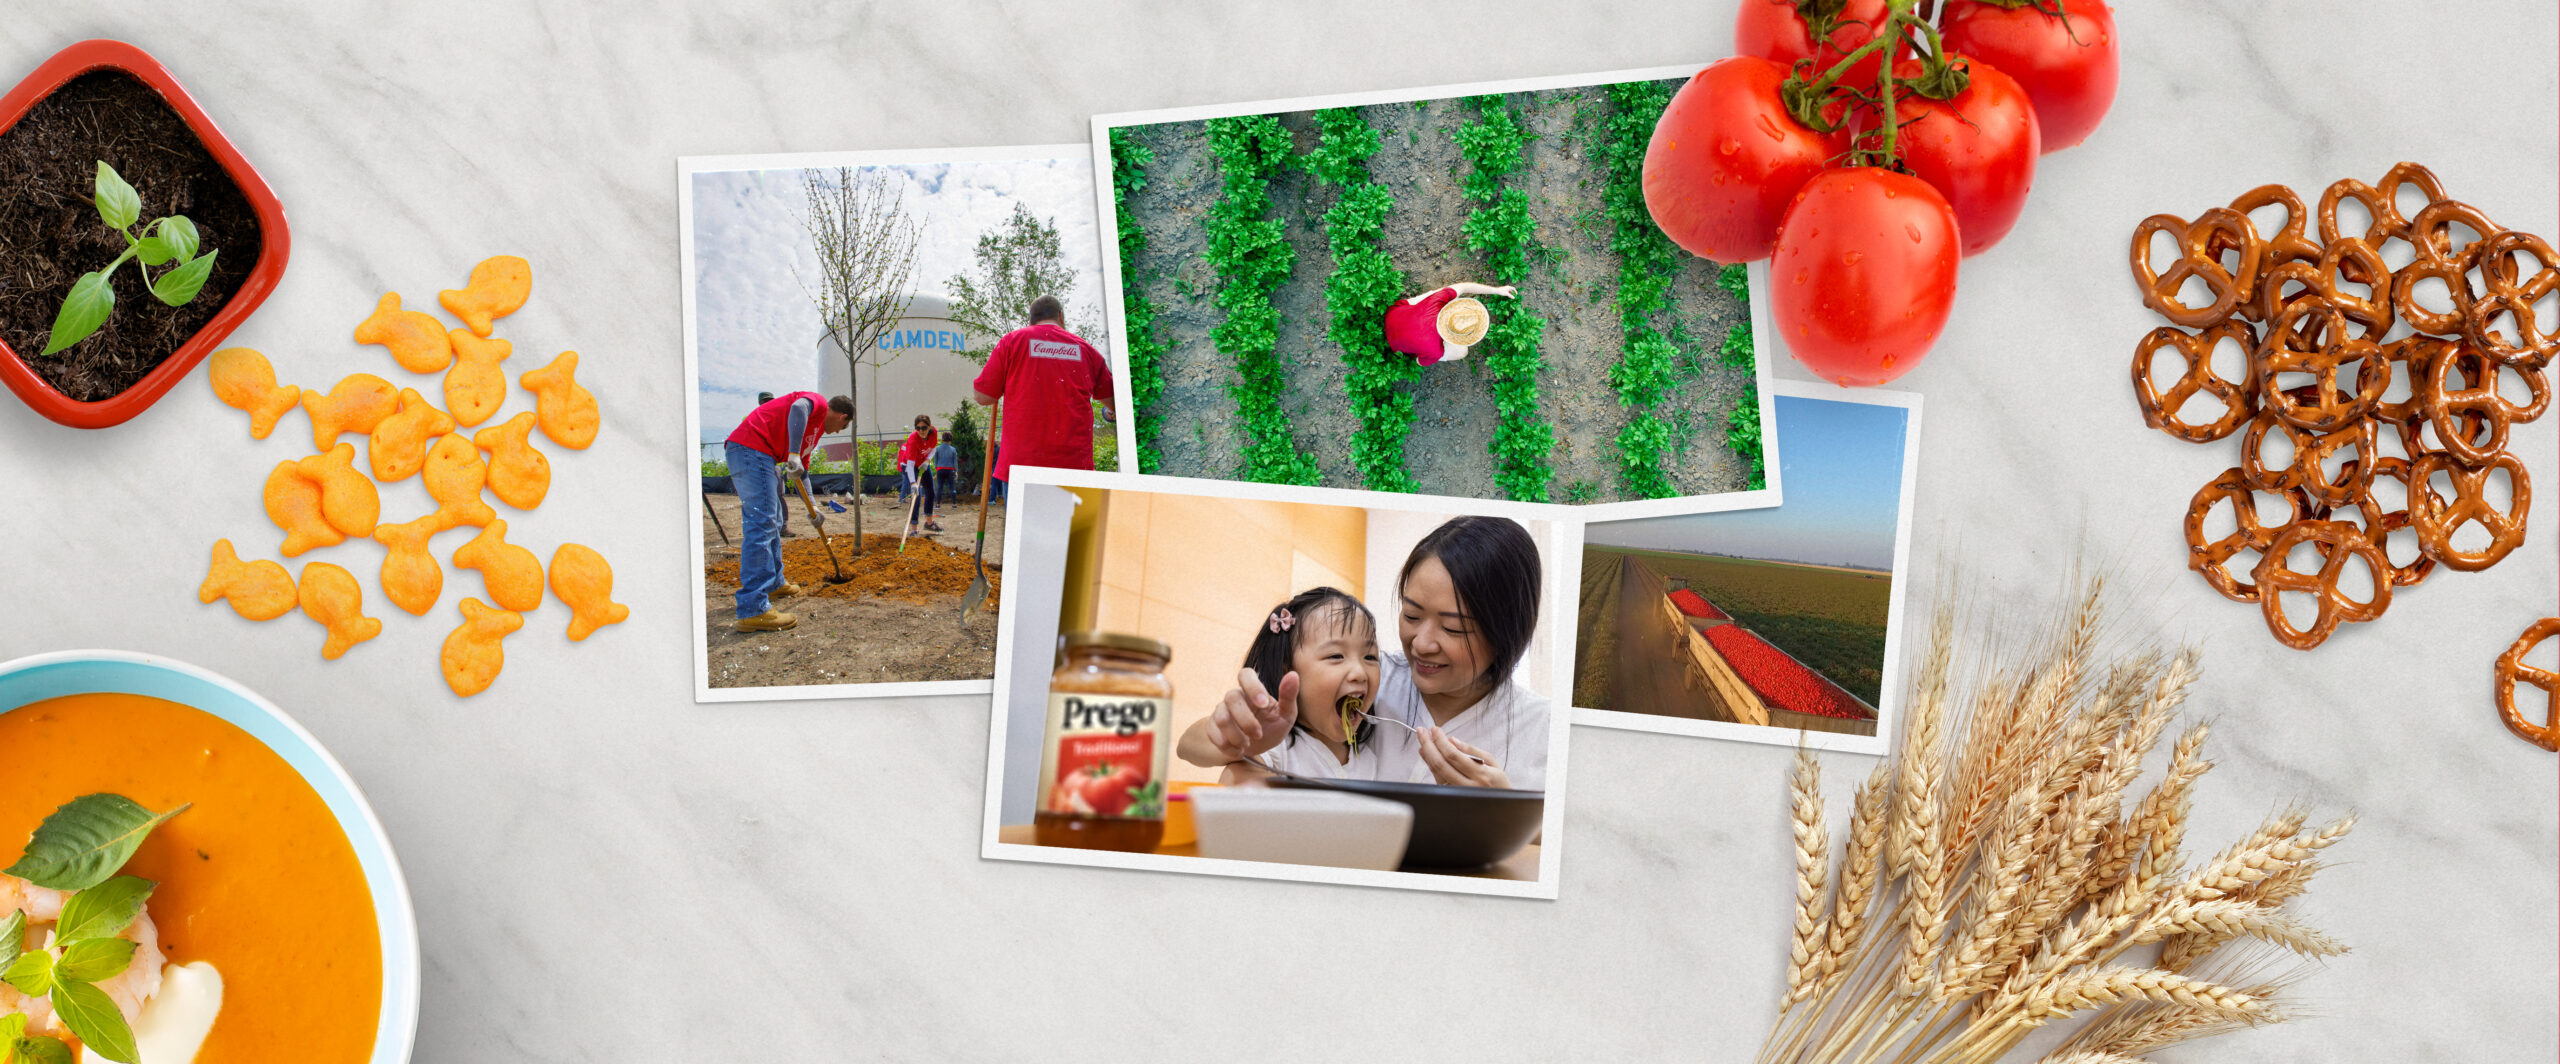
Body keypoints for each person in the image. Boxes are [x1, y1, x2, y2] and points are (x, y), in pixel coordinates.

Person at [1181, 516, 1550, 790]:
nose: (1421, 644)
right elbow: (1198, 751)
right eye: (1411, 615)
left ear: (1506, 634)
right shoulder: (1374, 683)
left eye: (1453, 628)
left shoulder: (1542, 727)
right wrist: (1228, 742)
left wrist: (1503, 808)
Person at [1175, 589, 1384, 783]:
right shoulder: (1274, 747)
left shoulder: (1370, 760)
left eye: (1370, 657)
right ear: (1287, 671)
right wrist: (1239, 740)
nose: (1360, 673)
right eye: (1336, 656)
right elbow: (1186, 746)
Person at [722, 391, 852, 632]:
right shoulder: (819, 404)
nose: (836, 432)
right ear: (843, 416)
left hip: (762, 455)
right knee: (761, 523)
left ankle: (773, 582)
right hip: (752, 449)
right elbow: (798, 408)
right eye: (842, 427)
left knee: (774, 521)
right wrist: (792, 452)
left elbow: (803, 474)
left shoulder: (811, 436)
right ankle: (753, 608)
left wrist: (812, 506)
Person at [971, 295, 1114, 499]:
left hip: (1022, 465)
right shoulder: (1087, 350)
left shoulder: (1012, 342)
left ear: (1031, 320)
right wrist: (1109, 413)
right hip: (1074, 467)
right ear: (1061, 317)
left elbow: (982, 396)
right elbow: (1117, 403)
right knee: (1068, 531)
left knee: (1024, 530)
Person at [1383, 282, 1518, 367]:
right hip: (1395, 345)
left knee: (1450, 294)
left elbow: (1463, 286)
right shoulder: (1435, 350)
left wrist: (1497, 290)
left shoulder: (1435, 301)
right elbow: (1419, 362)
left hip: (1392, 314)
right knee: (1461, 351)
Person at [898, 414, 943, 535]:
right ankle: (914, 529)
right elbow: (910, 466)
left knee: (931, 492)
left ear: (929, 427)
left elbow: (934, 448)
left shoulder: (934, 433)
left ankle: (929, 523)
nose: (921, 431)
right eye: (918, 428)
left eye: (924, 428)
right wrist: (913, 483)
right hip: (909, 466)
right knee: (916, 496)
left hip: (923, 463)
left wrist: (928, 461)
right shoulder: (912, 440)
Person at [932, 435, 959, 501]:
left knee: (939, 487)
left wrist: (936, 468)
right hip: (950, 469)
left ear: (943, 439)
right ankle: (954, 504)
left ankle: (938, 504)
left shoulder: (937, 448)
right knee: (952, 487)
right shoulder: (953, 449)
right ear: (950, 440)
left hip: (940, 469)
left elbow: (935, 460)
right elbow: (955, 462)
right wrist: (956, 471)